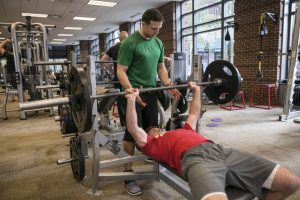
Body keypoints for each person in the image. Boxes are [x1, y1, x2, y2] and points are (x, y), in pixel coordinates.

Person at [124, 82, 300, 200]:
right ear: (150, 136)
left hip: (222, 151)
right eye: (153, 130)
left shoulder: (183, 130)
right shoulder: (151, 145)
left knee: (290, 183)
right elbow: (133, 128)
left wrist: (197, 91)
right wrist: (131, 100)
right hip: (195, 160)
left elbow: (194, 113)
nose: (158, 129)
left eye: (158, 127)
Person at [117, 8, 181, 195]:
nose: (156, 32)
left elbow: (161, 67)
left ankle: (151, 155)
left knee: (153, 128)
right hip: (133, 93)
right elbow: (120, 70)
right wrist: (130, 89)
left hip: (151, 92)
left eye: (159, 28)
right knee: (131, 135)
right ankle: (127, 175)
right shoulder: (129, 43)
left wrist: (168, 84)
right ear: (142, 24)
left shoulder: (158, 43)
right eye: (153, 28)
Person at [101, 31, 128, 126]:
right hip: (130, 78)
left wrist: (112, 71)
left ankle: (124, 122)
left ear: (119, 38)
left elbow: (103, 60)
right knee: (131, 98)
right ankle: (132, 122)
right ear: (127, 37)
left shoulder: (114, 48)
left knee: (120, 100)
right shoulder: (130, 46)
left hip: (118, 77)